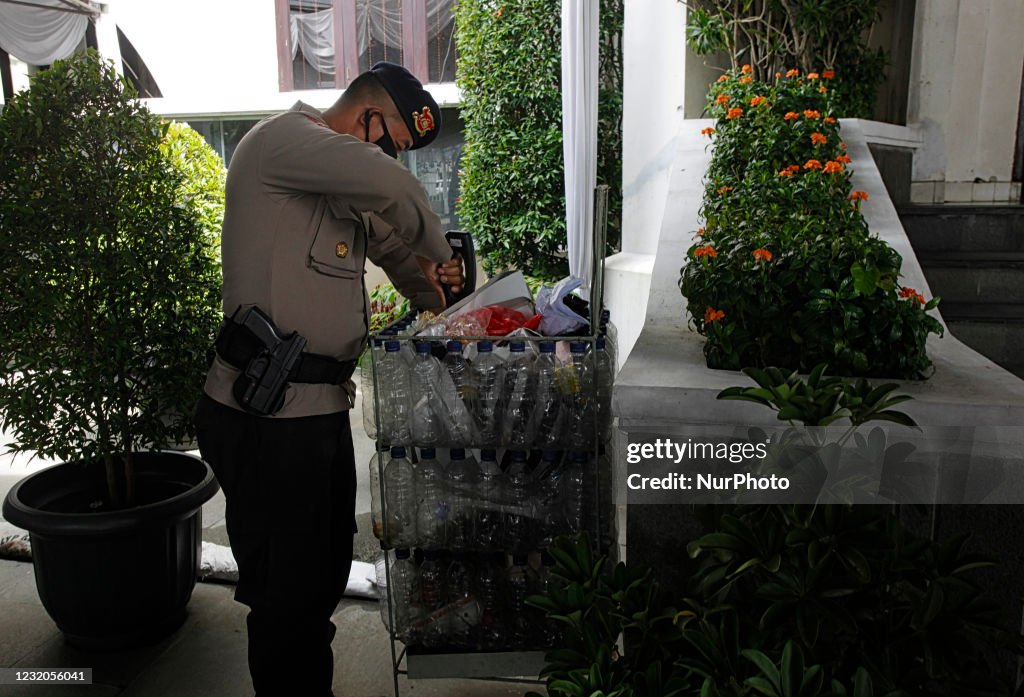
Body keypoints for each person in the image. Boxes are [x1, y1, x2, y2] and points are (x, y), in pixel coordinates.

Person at [193, 62, 464, 697]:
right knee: (286, 598)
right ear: (366, 114)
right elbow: (389, 185)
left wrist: (440, 280)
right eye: (390, 137)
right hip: (263, 417)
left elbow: (401, 253)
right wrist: (438, 246)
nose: (391, 154)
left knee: (317, 583)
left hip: (315, 418)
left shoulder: (343, 189)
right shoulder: (280, 144)